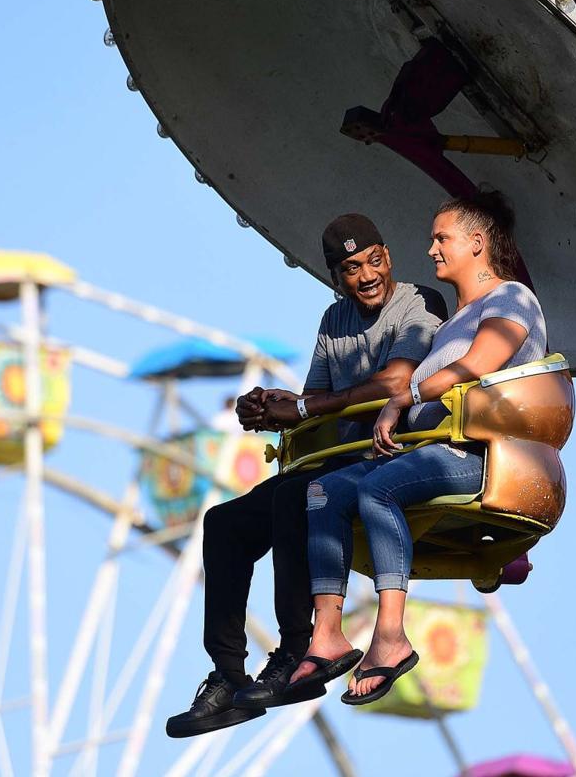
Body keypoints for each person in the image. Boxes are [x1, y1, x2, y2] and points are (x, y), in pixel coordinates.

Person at [165, 213, 448, 738]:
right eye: (350, 268)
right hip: (341, 454)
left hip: (393, 453)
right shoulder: (333, 321)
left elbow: (396, 381)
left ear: (388, 255)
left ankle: (299, 648)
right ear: (336, 276)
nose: (366, 275)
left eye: (373, 261)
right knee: (224, 523)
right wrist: (270, 405)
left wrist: (304, 406)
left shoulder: (420, 303)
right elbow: (313, 403)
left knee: (295, 494)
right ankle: (228, 677)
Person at [288, 192, 547, 705]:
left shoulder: (512, 298)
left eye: (441, 238)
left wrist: (402, 397)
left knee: (380, 490)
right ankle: (327, 634)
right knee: (321, 492)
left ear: (477, 243)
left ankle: (389, 638)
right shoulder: (452, 323)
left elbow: (481, 361)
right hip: (424, 451)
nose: (430, 250)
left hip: (477, 457)